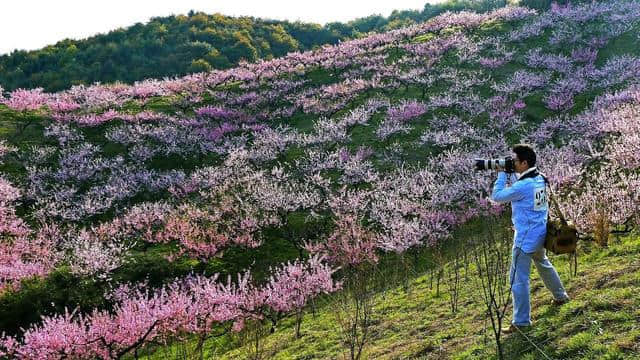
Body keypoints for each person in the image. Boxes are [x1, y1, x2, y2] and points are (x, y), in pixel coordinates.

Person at [491, 144, 570, 334]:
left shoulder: (524, 185)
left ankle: (521, 321)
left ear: (524, 163)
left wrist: (502, 173)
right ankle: (561, 296)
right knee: (543, 263)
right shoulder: (539, 178)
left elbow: (497, 196)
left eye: (515, 161)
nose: (512, 164)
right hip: (539, 232)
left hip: (525, 238)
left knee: (518, 278)